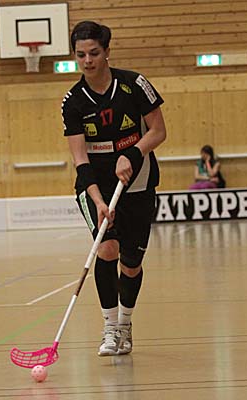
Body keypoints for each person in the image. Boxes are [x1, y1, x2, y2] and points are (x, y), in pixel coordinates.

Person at [61, 21, 167, 356]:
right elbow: (80, 159)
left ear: (107, 51)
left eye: (94, 53)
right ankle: (109, 328)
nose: (87, 61)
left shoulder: (135, 85)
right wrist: (98, 201)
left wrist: (132, 154)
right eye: (81, 55)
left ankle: (125, 324)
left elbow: (159, 131)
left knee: (131, 263)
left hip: (138, 182)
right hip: (96, 186)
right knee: (107, 249)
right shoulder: (73, 102)